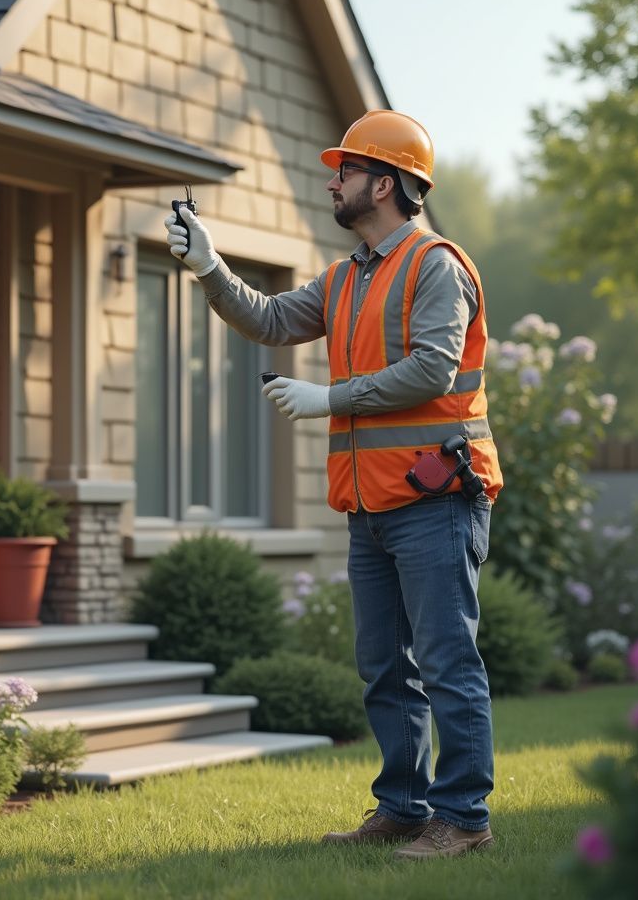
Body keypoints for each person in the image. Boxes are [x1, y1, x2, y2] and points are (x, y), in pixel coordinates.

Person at [164, 110, 503, 861]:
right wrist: (209, 267)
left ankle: (465, 819)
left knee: (447, 662)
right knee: (384, 666)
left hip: (436, 498)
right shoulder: (347, 276)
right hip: (370, 504)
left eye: (345, 170)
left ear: (384, 183)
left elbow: (432, 369)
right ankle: (403, 807)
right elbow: (272, 318)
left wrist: (329, 398)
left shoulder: (435, 265)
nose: (332, 180)